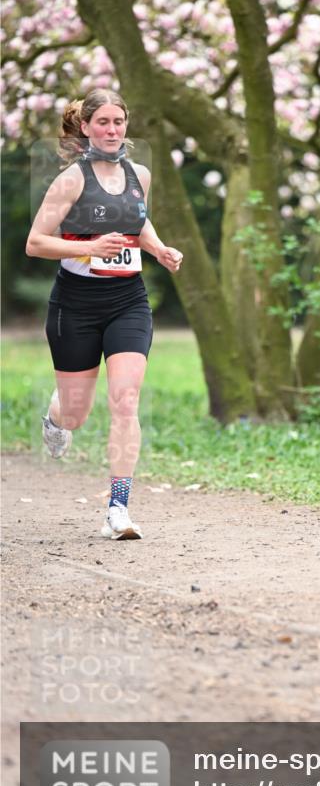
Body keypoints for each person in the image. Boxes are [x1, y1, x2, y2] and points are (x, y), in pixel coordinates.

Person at [26, 88, 183, 540]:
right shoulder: (70, 181)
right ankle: (57, 419)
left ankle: (118, 508)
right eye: (104, 123)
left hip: (127, 301)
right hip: (74, 304)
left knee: (126, 399)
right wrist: (90, 246)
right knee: (77, 412)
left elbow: (137, 219)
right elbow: (35, 243)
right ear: (87, 127)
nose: (112, 130)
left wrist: (158, 249)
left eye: (119, 122)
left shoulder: (141, 174)